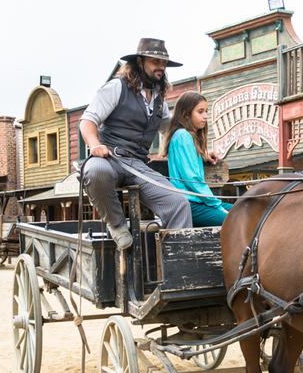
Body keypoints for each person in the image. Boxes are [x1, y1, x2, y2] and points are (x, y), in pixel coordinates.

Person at [80, 38, 192, 250]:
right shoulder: (116, 87)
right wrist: (95, 144)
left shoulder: (159, 99)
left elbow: (170, 129)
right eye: (155, 61)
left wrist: (202, 151)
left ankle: (178, 265)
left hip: (139, 165)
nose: (161, 67)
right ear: (139, 62)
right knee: (95, 171)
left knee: (179, 203)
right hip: (109, 157)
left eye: (164, 63)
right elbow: (88, 120)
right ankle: (116, 224)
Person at [162, 91, 232, 227]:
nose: (205, 116)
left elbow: (187, 161)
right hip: (189, 206)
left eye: (206, 111)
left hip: (199, 203)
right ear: (185, 113)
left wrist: (203, 154)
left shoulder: (186, 137)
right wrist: (217, 206)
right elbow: (192, 179)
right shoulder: (183, 136)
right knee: (236, 220)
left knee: (244, 210)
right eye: (200, 112)